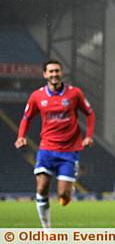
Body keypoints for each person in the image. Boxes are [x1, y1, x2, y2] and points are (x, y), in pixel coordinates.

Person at [14, 60, 95, 229]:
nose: (54, 74)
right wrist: (21, 136)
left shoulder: (74, 93)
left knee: (63, 197)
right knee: (42, 188)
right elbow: (26, 118)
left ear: (61, 73)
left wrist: (88, 136)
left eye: (57, 71)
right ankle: (47, 230)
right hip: (47, 149)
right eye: (50, 71)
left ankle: (67, 190)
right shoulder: (37, 96)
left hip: (69, 151)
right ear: (44, 74)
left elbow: (89, 113)